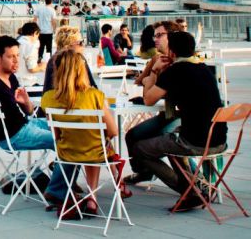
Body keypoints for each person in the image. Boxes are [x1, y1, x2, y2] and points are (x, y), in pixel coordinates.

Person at [134, 31, 227, 210]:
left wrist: (151, 75)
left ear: (172, 53)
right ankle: (195, 185)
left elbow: (148, 99)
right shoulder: (204, 68)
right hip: (219, 140)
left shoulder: (176, 71)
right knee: (169, 138)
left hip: (195, 142)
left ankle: (191, 191)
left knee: (140, 148)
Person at [0, 36, 69, 207]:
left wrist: (26, 104)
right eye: (11, 57)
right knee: (64, 140)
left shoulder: (11, 77)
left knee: (67, 129)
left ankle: (63, 179)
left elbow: (28, 111)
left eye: (17, 55)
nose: (17, 61)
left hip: (26, 125)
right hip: (13, 136)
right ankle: (58, 190)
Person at [41, 50, 119, 215]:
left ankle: (89, 198)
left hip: (66, 154)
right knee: (96, 143)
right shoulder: (94, 95)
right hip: (95, 153)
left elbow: (54, 131)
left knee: (91, 143)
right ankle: (93, 199)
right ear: (80, 70)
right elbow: (113, 130)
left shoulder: (48, 97)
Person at [125, 20, 182, 185]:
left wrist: (154, 79)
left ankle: (191, 183)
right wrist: (155, 71)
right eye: (154, 36)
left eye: (159, 35)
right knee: (132, 135)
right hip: (165, 114)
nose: (155, 39)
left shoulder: (180, 62)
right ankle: (143, 172)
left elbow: (149, 95)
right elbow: (143, 88)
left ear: (172, 37)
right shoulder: (158, 58)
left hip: (180, 116)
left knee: (167, 139)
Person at [43, 26, 98, 93]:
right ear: (67, 46)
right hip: (74, 101)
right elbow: (92, 86)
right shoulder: (79, 60)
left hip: (53, 101)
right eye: (80, 43)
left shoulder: (52, 61)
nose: (83, 45)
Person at [16, 22, 45, 86]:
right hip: (27, 83)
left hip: (14, 80)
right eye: (38, 36)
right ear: (35, 33)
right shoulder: (31, 46)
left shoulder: (16, 42)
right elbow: (32, 69)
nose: (37, 39)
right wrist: (42, 66)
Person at [33, 0, 56, 65]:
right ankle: (49, 59)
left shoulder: (39, 9)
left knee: (41, 45)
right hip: (49, 31)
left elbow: (35, 19)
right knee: (49, 46)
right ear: (51, 2)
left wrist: (35, 29)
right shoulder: (52, 10)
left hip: (41, 31)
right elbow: (53, 21)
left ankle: (40, 57)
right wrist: (54, 29)